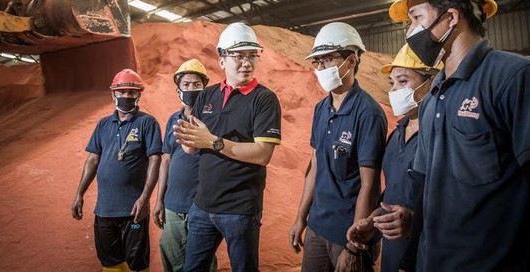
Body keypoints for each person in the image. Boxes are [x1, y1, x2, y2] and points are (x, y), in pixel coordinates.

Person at [388, 0, 530, 271]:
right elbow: (425, 190)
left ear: (450, 17)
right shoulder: (434, 96)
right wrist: (410, 261)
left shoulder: (517, 78)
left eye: (416, 18)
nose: (410, 32)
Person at [172, 22, 282, 272]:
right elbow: (192, 146)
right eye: (238, 55)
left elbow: (263, 154)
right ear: (221, 60)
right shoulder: (206, 96)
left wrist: (211, 141)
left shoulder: (264, 99)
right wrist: (187, 140)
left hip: (239, 210)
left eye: (252, 55)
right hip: (202, 206)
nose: (247, 62)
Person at [288, 22, 387, 272]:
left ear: (351, 60)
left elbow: (370, 184)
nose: (320, 68)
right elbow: (315, 167)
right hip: (317, 227)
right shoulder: (321, 109)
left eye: (328, 60)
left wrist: (355, 243)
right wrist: (301, 217)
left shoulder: (368, 113)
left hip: (348, 231)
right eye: (317, 62)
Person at [346, 44, 441, 272]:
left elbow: (460, 205)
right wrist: (375, 221)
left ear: (431, 82)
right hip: (393, 255)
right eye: (392, 83)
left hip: (428, 257)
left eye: (403, 81)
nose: (395, 90)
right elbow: (394, 194)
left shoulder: (442, 136)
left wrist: (415, 221)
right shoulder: (397, 133)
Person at [71, 69, 162, 272]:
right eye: (122, 92)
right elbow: (93, 159)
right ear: (113, 94)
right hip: (105, 209)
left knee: (137, 263)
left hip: (134, 210)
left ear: (139, 94)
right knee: (110, 262)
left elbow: (155, 160)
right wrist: (79, 195)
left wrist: (145, 198)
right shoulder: (103, 124)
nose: (126, 97)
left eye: (132, 92)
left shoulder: (147, 123)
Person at [152, 59, 216, 272]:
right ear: (178, 89)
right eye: (186, 85)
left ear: (204, 87)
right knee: (171, 256)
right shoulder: (173, 119)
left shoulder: (214, 119)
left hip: (201, 205)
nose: (191, 89)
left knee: (201, 262)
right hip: (173, 204)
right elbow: (166, 159)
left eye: (196, 84)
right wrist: (159, 200)